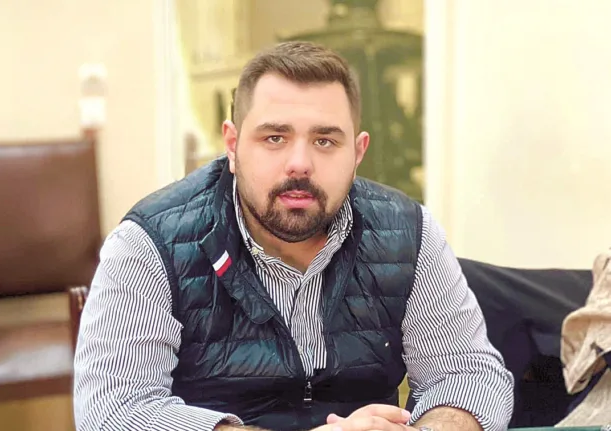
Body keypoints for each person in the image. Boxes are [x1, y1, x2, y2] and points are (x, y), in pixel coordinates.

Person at [73, 41, 514, 431]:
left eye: (325, 141)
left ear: (358, 152)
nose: (299, 163)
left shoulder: (408, 231)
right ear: (232, 145)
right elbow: (114, 411)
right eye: (274, 138)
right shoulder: (150, 242)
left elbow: (471, 375)